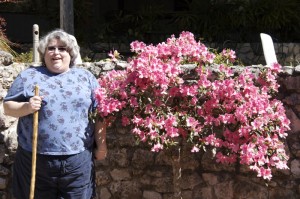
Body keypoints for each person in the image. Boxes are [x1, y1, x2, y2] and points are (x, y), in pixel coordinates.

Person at [3, 29, 107, 199]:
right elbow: (8, 107)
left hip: (77, 160)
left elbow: (99, 112)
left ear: (71, 53)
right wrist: (27, 107)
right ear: (44, 53)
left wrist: (102, 146)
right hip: (35, 159)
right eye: (51, 48)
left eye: (62, 48)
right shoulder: (29, 76)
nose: (56, 52)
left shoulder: (86, 77)